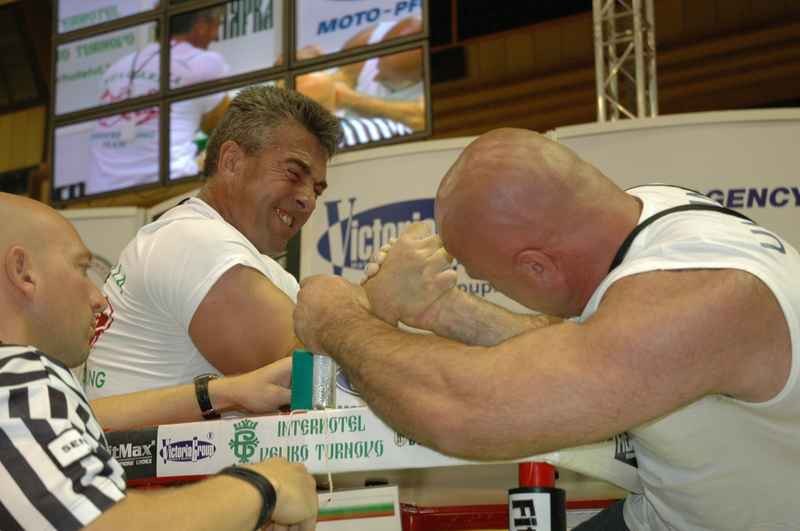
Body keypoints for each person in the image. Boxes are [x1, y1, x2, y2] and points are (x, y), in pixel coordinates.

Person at [293, 128, 800, 530]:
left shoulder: (694, 298)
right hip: (670, 514)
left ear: (536, 267)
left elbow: (468, 410)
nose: (485, 284)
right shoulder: (646, 217)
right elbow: (583, 351)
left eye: (487, 277)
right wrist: (444, 312)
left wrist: (337, 318)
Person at [0, 192, 317, 531]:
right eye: (80, 269)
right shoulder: (21, 374)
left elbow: (91, 417)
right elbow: (102, 525)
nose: (97, 299)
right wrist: (264, 486)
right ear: (24, 271)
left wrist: (226, 393)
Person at [85, 86, 341, 420]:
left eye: (317, 190)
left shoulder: (238, 255)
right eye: (294, 174)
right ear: (232, 161)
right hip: (160, 473)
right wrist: (381, 296)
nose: (308, 199)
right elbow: (316, 385)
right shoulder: (195, 242)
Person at [86, 7, 230, 195]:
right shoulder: (205, 63)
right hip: (167, 190)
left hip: (101, 194)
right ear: (201, 26)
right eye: (217, 24)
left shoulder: (116, 68)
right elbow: (229, 127)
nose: (216, 36)